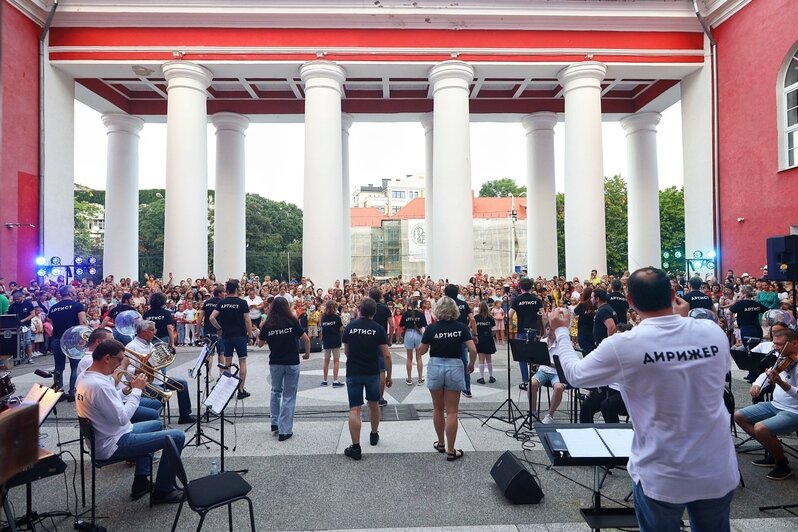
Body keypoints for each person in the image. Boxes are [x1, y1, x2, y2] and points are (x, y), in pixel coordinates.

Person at [549, 267, 737, 532]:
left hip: (661, 472)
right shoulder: (713, 332)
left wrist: (560, 331)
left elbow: (574, 375)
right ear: (673, 294)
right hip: (715, 466)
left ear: (630, 301)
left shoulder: (625, 345)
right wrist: (683, 321)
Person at [75, 339, 186, 504]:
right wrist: (136, 391)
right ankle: (164, 490)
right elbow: (122, 418)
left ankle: (141, 481)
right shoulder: (99, 385)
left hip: (105, 436)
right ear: (107, 358)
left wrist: (126, 391)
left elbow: (108, 402)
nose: (120, 365)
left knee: (155, 424)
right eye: (119, 359)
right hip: (114, 442)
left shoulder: (86, 376)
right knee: (177, 436)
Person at [734, 328, 798, 480]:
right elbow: (766, 373)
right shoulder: (782, 356)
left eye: (778, 344)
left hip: (794, 411)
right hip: (775, 404)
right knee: (739, 416)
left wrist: (781, 383)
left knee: (760, 428)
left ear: (794, 343)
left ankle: (782, 463)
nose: (774, 347)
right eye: (774, 343)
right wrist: (757, 384)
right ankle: (772, 448)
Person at [417, 296, 477, 461]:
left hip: (436, 365)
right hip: (455, 366)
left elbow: (421, 351)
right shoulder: (461, 327)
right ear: (454, 310)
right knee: (452, 411)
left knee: (437, 408)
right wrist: (471, 365)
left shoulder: (432, 328)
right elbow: (472, 349)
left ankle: (441, 443)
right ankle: (451, 450)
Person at [342, 297, 392, 460]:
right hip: (372, 371)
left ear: (360, 310)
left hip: (354, 371)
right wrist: (389, 375)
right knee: (374, 404)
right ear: (374, 312)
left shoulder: (350, 327)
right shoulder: (378, 329)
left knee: (355, 409)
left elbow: (346, 351)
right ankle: (374, 433)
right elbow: (386, 354)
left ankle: (356, 447)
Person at [77, 328, 163, 423]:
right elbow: (111, 383)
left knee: (156, 404)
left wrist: (129, 388)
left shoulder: (99, 363)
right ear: (98, 342)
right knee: (155, 416)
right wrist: (123, 366)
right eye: (111, 340)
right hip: (118, 408)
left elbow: (111, 382)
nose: (114, 342)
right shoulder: (90, 361)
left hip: (119, 398)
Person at [258, 297, 310, 441]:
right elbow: (306, 339)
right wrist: (306, 353)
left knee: (275, 391)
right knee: (289, 396)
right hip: (291, 361)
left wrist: (259, 332)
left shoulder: (268, 323)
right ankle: (285, 430)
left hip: (275, 362)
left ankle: (275, 422)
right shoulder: (292, 321)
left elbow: (260, 344)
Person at [127, 320, 195, 425]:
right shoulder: (131, 346)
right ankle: (155, 421)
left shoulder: (150, 344)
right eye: (152, 330)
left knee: (182, 384)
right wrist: (142, 369)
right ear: (143, 332)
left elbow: (158, 360)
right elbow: (127, 370)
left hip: (158, 377)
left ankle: (185, 415)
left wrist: (169, 353)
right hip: (144, 380)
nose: (155, 332)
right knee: (158, 393)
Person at [210, 279, 253, 399]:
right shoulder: (242, 302)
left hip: (226, 335)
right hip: (239, 335)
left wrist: (219, 328)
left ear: (227, 290)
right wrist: (250, 335)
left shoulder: (222, 303)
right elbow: (247, 320)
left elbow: (212, 318)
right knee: (242, 361)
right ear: (236, 289)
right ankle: (240, 390)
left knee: (227, 363)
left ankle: (228, 390)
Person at [49, 285, 88, 400]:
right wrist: (84, 338)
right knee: (75, 366)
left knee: (58, 367)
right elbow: (83, 322)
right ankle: (72, 392)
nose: (76, 293)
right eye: (74, 291)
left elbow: (51, 323)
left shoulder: (53, 307)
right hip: (73, 339)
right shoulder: (77, 305)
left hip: (57, 339)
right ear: (70, 293)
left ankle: (58, 392)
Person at [508, 278, 544, 390]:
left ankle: (525, 380)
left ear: (520, 287)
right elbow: (543, 316)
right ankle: (535, 379)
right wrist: (545, 330)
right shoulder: (537, 300)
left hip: (522, 331)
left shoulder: (517, 300)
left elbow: (509, 315)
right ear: (531, 287)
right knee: (534, 355)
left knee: (522, 357)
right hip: (534, 330)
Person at [443, 284, 477, 399]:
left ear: (446, 293)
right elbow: (472, 318)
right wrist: (475, 334)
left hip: (447, 335)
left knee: (446, 360)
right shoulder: (463, 304)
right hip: (463, 335)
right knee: (463, 361)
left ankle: (448, 386)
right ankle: (467, 389)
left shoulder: (444, 305)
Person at [368, 287, 394, 406]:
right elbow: (392, 325)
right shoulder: (385, 308)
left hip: (367, 338)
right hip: (381, 338)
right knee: (381, 368)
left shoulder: (366, 307)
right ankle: (380, 397)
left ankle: (370, 396)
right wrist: (389, 339)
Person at [730, 285, 769, 349]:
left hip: (746, 329)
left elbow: (728, 312)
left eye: (740, 292)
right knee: (757, 349)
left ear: (744, 294)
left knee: (749, 349)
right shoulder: (756, 303)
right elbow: (768, 311)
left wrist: (737, 300)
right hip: (757, 329)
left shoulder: (740, 303)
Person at [400, 297, 428, 386]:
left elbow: (401, 326)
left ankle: (409, 379)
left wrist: (400, 336)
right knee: (419, 357)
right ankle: (420, 379)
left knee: (409, 357)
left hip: (409, 333)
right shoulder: (420, 314)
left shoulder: (405, 314)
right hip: (418, 333)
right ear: (417, 304)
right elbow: (425, 326)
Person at [199, 286, 225, 373]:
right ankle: (221, 372)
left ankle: (208, 373)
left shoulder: (207, 302)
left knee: (209, 353)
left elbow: (200, 316)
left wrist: (197, 330)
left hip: (207, 330)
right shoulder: (222, 303)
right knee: (221, 352)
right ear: (220, 293)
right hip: (219, 331)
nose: (225, 294)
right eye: (223, 292)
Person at [319, 300, 344, 387]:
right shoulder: (337, 317)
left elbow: (322, 329)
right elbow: (341, 329)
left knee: (326, 361)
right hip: (335, 340)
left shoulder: (323, 318)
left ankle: (325, 380)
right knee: (336, 360)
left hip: (326, 341)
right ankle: (335, 380)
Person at [8, 290, 36, 364]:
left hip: (27, 326)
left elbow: (33, 314)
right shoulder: (12, 306)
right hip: (16, 327)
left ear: (21, 297)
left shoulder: (28, 304)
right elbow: (10, 316)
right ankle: (19, 357)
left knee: (28, 341)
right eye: (15, 299)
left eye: (18, 299)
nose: (17, 301)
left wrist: (23, 320)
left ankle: (30, 358)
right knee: (19, 343)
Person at [473, 301, 496, 385]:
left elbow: (471, 327)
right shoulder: (490, 317)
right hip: (488, 338)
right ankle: (491, 376)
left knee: (481, 359)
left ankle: (481, 377)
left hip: (479, 338)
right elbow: (494, 330)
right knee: (489, 359)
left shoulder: (476, 317)